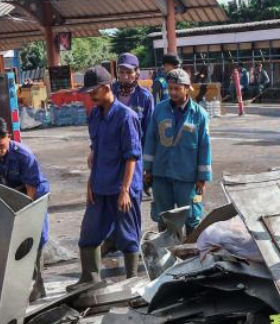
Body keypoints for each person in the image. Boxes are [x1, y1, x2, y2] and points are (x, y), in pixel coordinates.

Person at [71, 66, 143, 289]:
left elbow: (132, 157)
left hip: (123, 187)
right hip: (100, 184)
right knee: (89, 231)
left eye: (93, 91)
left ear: (105, 88)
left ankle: (132, 281)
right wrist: (90, 183)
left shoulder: (126, 117)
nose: (90, 96)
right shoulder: (94, 115)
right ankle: (89, 278)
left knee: (128, 235)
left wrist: (124, 191)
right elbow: (96, 150)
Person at [0, 116, 51, 300]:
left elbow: (32, 188)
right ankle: (18, 286)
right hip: (4, 201)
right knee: (9, 244)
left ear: (8, 136)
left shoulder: (23, 155)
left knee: (34, 240)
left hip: (30, 199)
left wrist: (23, 215)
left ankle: (39, 284)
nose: (1, 150)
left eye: (3, 145)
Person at [144, 69, 212, 236]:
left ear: (187, 88)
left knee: (192, 217)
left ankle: (189, 255)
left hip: (187, 178)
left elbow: (204, 147)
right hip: (161, 175)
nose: (172, 92)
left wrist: (202, 178)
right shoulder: (159, 110)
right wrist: (148, 169)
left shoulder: (199, 115)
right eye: (170, 88)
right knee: (163, 217)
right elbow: (151, 140)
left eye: (177, 88)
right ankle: (166, 253)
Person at [114, 52, 155, 141]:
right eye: (121, 72)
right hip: (113, 151)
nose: (125, 76)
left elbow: (149, 130)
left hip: (136, 149)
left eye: (129, 72)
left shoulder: (145, 97)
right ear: (117, 73)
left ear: (137, 73)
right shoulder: (110, 93)